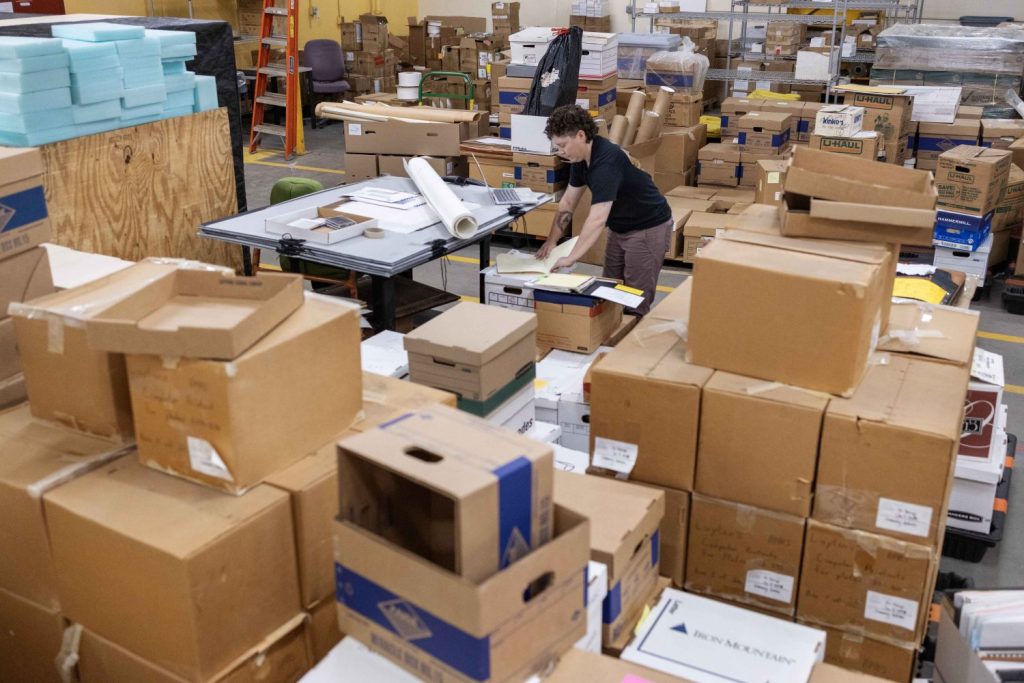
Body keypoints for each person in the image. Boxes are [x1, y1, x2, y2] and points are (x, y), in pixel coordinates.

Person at [535, 103, 673, 316]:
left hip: (647, 227)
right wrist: (552, 241)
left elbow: (597, 219)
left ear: (580, 135)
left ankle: (629, 344)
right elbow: (568, 203)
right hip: (620, 227)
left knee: (634, 299)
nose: (560, 152)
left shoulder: (606, 163)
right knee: (609, 289)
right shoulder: (580, 159)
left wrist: (572, 257)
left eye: (563, 145)